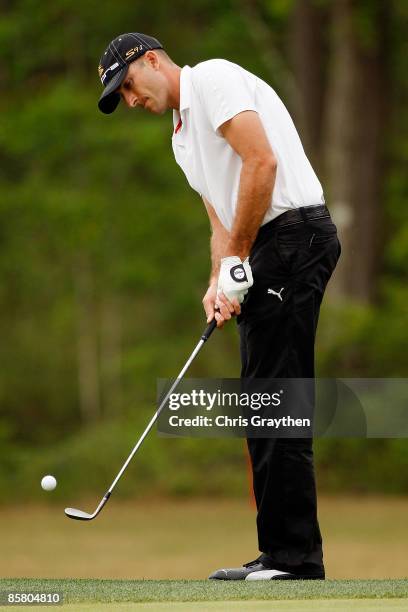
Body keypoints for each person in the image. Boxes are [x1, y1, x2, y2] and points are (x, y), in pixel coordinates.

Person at [97, 32, 341, 581]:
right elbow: (221, 224)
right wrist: (218, 283)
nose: (131, 100)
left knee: (277, 398)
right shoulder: (181, 140)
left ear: (151, 60)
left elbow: (262, 164)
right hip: (264, 249)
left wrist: (237, 261)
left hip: (294, 237)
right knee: (262, 401)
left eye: (128, 85)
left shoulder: (213, 79)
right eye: (121, 96)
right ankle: (281, 552)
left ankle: (295, 559)